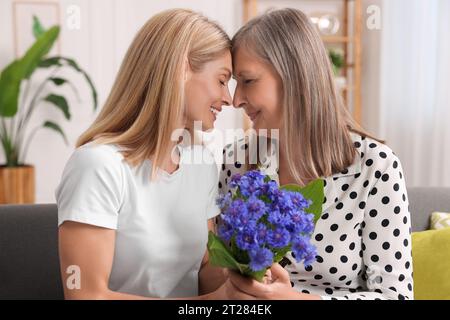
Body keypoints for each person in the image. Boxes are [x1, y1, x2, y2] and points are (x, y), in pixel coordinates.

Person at [219, 8, 413, 300]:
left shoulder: (375, 167)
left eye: (247, 81)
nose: (235, 100)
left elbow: (395, 295)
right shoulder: (235, 160)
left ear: (293, 76)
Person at [56, 9, 234, 299]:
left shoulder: (200, 164)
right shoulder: (97, 165)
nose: (228, 98)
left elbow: (203, 270)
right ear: (181, 68)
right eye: (222, 80)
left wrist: (244, 268)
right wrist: (206, 304)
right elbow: (86, 295)